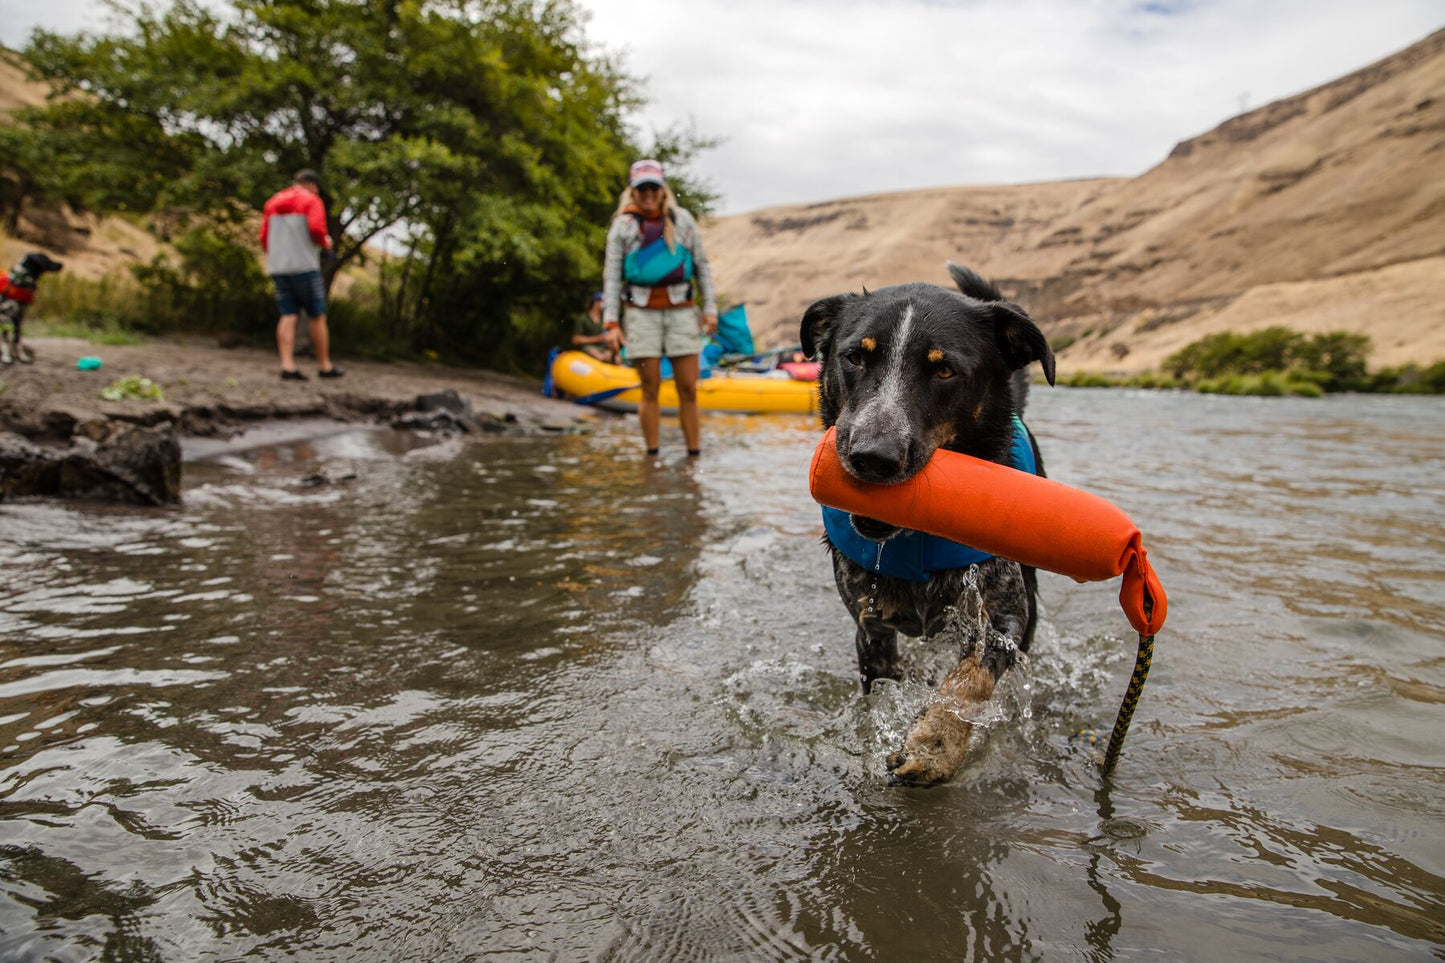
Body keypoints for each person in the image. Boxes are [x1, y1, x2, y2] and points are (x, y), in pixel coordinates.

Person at [601, 159, 717, 457]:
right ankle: (652, 456)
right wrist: (611, 323)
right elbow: (612, 276)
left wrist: (710, 310)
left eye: (654, 187)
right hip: (640, 314)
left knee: (688, 390)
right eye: (643, 188)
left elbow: (701, 267)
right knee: (649, 389)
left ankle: (693, 457)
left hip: (681, 311)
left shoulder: (683, 221)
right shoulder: (623, 226)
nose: (649, 193)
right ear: (633, 191)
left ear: (663, 189)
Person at [259, 168, 342, 381]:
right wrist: (326, 243)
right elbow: (316, 229)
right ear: (313, 185)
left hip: (279, 266)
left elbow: (263, 237)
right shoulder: (311, 200)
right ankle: (324, 366)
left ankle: (287, 365)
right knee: (317, 314)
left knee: (288, 314)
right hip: (305, 266)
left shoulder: (273, 202)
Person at [572, 291, 619, 363]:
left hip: (605, 348)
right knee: (597, 354)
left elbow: (612, 338)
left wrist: (610, 351)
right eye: (602, 301)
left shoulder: (606, 319)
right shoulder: (583, 318)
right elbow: (576, 340)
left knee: (614, 357)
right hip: (588, 349)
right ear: (596, 302)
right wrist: (597, 339)